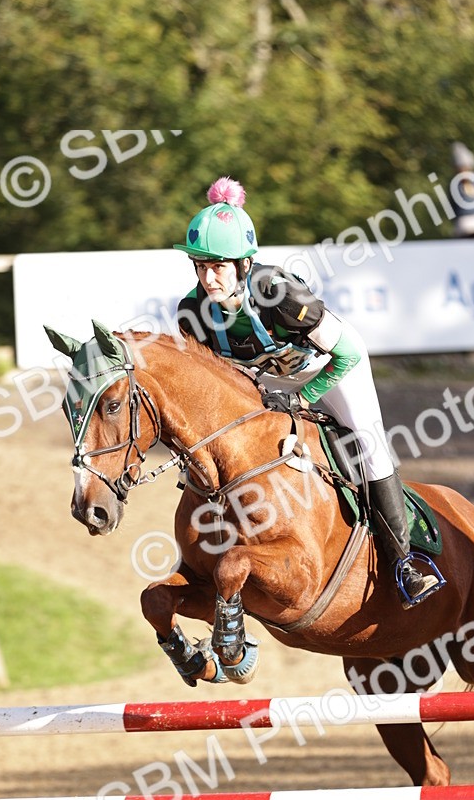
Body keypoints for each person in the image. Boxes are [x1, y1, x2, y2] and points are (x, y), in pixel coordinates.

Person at [173, 176, 442, 607]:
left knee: (368, 446)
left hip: (330, 370)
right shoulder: (192, 313)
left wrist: (303, 396)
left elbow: (348, 353)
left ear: (244, 264)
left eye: (218, 266)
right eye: (200, 266)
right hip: (270, 382)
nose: (208, 277)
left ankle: (405, 564)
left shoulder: (277, 292)